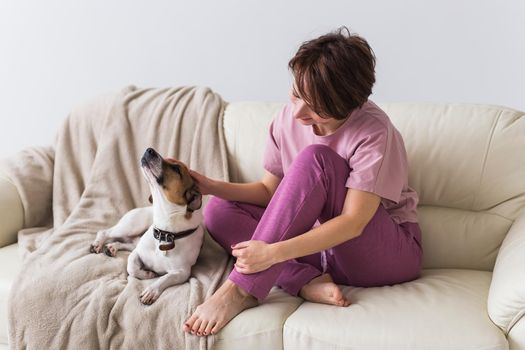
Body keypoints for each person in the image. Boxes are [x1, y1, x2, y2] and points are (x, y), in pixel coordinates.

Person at [182, 26, 423, 337]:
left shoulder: (374, 132)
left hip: (383, 253)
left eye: (315, 107)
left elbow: (353, 223)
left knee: (316, 158)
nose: (297, 112)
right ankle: (303, 280)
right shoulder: (286, 119)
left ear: (347, 105)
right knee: (218, 211)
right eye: (296, 93)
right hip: (320, 249)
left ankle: (240, 291)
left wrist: (272, 253)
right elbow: (270, 191)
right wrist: (210, 185)